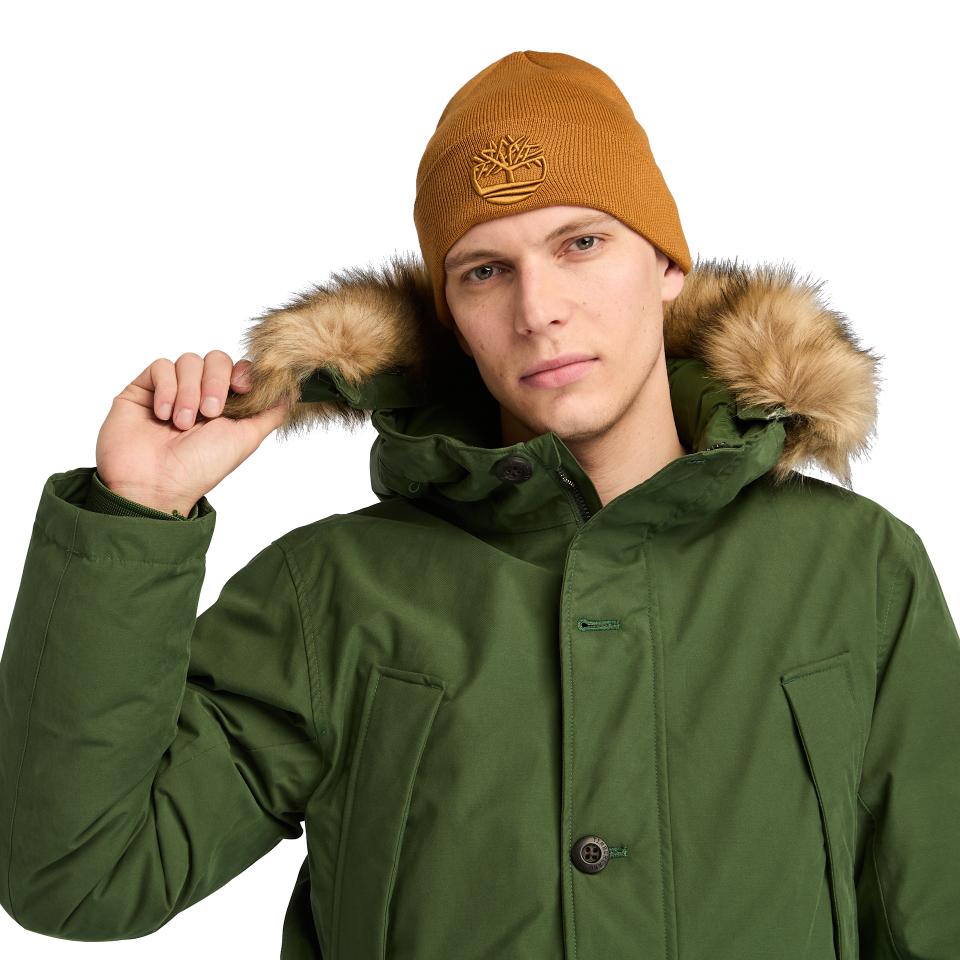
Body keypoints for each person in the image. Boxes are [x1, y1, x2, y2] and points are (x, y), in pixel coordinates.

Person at [1, 49, 957, 959]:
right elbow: (77, 877)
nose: (538, 310)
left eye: (581, 243)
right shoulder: (333, 593)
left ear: (668, 264)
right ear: (452, 318)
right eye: (485, 271)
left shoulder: (856, 570)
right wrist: (135, 513)